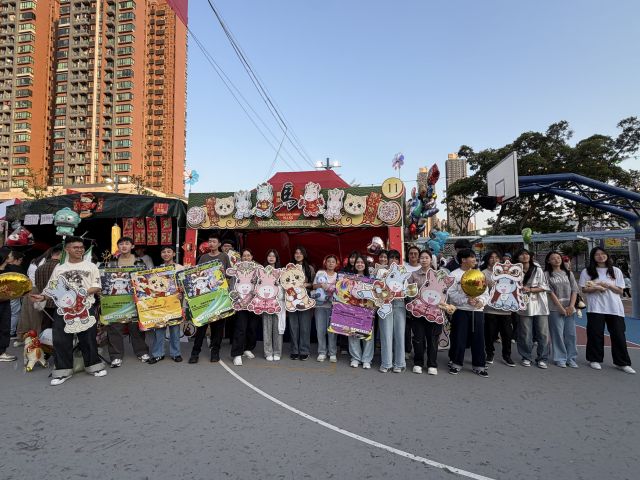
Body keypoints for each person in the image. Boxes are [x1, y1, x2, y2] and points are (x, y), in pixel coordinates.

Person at [32, 237, 106, 385]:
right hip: (63, 309)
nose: (79, 249)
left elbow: (97, 286)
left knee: (88, 338)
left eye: (81, 247)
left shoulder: (91, 266)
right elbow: (52, 287)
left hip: (85, 306)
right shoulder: (59, 268)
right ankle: (62, 371)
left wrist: (78, 294)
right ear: (67, 249)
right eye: (75, 247)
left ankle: (93, 366)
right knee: (61, 339)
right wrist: (42, 297)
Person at [579, 247, 635, 374]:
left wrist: (608, 285)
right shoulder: (587, 271)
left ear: (607, 255)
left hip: (614, 308)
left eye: (603, 254)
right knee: (595, 334)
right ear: (593, 257)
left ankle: (622, 363)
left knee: (619, 335)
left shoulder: (615, 271)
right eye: (597, 254)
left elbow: (620, 291)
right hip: (596, 308)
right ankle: (594, 359)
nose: (600, 256)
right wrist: (597, 287)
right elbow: (584, 289)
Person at [105, 237, 150, 367]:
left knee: (136, 328)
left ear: (132, 246)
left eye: (127, 243)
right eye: (121, 244)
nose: (124, 246)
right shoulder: (112, 262)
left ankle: (142, 352)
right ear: (118, 247)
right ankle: (116, 356)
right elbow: (106, 280)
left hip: (135, 300)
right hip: (116, 300)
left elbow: (145, 279)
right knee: (114, 328)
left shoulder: (139, 261)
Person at [189, 234, 231, 364]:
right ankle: (195, 353)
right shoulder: (203, 257)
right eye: (210, 241)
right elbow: (196, 273)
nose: (211, 244)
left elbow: (229, 274)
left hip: (219, 296)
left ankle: (215, 352)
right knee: (201, 326)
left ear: (219, 244)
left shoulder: (224, 257)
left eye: (214, 241)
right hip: (204, 296)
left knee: (218, 327)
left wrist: (224, 273)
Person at [447, 249, 489, 377]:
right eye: (471, 257)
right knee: (459, 338)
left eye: (474, 257)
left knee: (479, 338)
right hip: (461, 310)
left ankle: (479, 365)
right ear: (463, 260)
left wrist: (481, 301)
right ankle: (456, 363)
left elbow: (485, 292)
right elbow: (450, 293)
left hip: (477, 311)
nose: (474, 260)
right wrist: (465, 300)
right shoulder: (454, 275)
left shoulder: (479, 274)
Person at [515, 249, 550, 369]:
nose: (524, 256)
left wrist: (530, 289)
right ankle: (526, 357)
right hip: (523, 304)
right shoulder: (515, 270)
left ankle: (542, 358)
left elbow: (544, 286)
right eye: (521, 254)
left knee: (543, 333)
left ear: (530, 256)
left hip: (540, 304)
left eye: (526, 254)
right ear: (518, 257)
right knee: (525, 333)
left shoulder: (537, 269)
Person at [408, 249, 442, 375]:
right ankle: (418, 362)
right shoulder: (413, 275)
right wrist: (415, 300)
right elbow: (409, 292)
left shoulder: (438, 275)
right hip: (418, 312)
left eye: (426, 258)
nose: (424, 260)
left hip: (434, 312)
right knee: (418, 338)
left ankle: (432, 364)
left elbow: (443, 293)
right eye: (422, 258)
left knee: (432, 339)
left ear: (431, 260)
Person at [148, 246, 184, 364]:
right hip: (160, 303)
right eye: (163, 252)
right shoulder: (157, 269)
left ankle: (176, 353)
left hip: (175, 302)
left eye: (169, 252)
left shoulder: (180, 268)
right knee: (159, 329)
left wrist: (181, 291)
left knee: (174, 329)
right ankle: (158, 354)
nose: (166, 254)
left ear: (174, 254)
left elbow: (185, 284)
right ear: (161, 254)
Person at [544, 251, 579, 368]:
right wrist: (560, 308)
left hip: (569, 308)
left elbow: (575, 290)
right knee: (557, 334)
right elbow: (550, 292)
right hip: (555, 309)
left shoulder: (568, 273)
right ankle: (560, 358)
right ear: (548, 261)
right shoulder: (546, 275)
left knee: (571, 334)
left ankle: (571, 358)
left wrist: (571, 306)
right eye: (553, 258)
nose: (556, 260)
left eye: (558, 258)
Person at [481, 251, 515, 367]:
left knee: (507, 334)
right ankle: (489, 354)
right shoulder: (483, 273)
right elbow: (481, 290)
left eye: (496, 257)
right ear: (487, 260)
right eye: (491, 257)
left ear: (500, 259)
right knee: (489, 334)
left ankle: (507, 356)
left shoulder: (508, 272)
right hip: (490, 309)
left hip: (505, 309)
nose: (494, 259)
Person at [378, 249, 407, 373]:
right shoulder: (381, 271)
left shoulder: (403, 271)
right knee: (386, 334)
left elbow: (406, 289)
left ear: (399, 260)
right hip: (385, 304)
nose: (394, 260)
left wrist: (403, 291)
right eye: (391, 258)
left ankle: (399, 363)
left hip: (399, 304)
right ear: (387, 259)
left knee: (400, 334)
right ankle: (386, 363)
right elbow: (376, 287)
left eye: (396, 258)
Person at [14, 248, 51, 345]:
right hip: (36, 289)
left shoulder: (34, 261)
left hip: (28, 288)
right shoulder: (44, 262)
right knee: (36, 316)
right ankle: (35, 339)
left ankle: (21, 337)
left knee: (25, 314)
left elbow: (28, 274)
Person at [231, 248, 260, 366]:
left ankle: (248, 348)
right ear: (241, 258)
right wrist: (237, 299)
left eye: (248, 255)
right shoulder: (236, 269)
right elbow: (232, 286)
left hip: (254, 303)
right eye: (244, 256)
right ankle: (237, 354)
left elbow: (262, 284)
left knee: (252, 328)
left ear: (252, 257)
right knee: (241, 328)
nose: (246, 258)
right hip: (241, 304)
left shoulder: (258, 269)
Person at [288, 246, 315, 361]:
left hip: (305, 298)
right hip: (291, 298)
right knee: (293, 326)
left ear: (304, 255)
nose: (298, 255)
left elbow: (314, 284)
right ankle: (294, 350)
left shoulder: (309, 268)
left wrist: (307, 284)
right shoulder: (289, 267)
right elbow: (284, 283)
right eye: (296, 253)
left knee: (305, 326)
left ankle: (304, 350)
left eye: (300, 253)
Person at [348, 254, 374, 369]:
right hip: (352, 309)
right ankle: (355, 358)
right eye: (357, 262)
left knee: (367, 335)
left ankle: (367, 359)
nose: (359, 264)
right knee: (353, 334)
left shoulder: (371, 279)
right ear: (354, 264)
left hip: (367, 310)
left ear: (365, 265)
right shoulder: (349, 278)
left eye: (362, 262)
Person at [313, 254, 339, 362]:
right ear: (325, 263)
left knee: (332, 331)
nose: (330, 263)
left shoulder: (338, 276)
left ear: (336, 264)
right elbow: (314, 286)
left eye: (333, 262)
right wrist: (321, 285)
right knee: (320, 330)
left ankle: (332, 353)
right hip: (320, 306)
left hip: (334, 307)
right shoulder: (320, 273)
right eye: (329, 261)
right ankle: (322, 352)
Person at [34, 246, 63, 332]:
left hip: (44, 301)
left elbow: (37, 284)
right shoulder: (61, 268)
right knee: (58, 327)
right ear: (61, 254)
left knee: (45, 324)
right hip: (58, 302)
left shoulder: (39, 268)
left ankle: (44, 340)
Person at [262, 249, 284, 361]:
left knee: (278, 328)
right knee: (267, 328)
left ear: (276, 258)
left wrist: (278, 285)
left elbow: (286, 287)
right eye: (269, 256)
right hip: (266, 303)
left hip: (279, 303)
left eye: (273, 256)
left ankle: (277, 352)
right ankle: (268, 352)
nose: (271, 258)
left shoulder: (282, 272)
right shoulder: (262, 271)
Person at [0, 249, 19, 362]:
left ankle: (2, 352)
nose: (12, 256)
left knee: (5, 326)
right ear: (5, 257)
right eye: (11, 254)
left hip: (5, 302)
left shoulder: (10, 270)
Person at [5, 250, 25, 339]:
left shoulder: (5, 266)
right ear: (16, 259)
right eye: (20, 260)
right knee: (15, 313)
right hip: (14, 294)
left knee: (5, 311)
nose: (21, 262)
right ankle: (11, 332)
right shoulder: (19, 270)